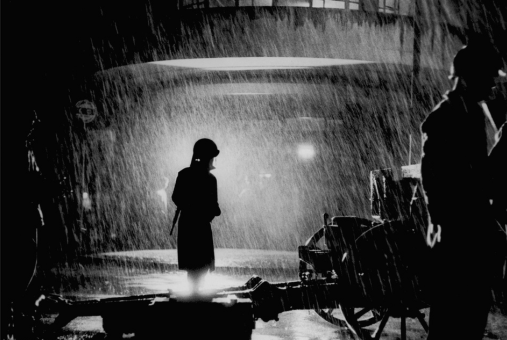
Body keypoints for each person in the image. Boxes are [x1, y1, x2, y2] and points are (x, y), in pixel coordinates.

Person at [420, 38, 506, 339]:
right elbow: (440, 183)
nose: (493, 86)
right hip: (459, 249)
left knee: (467, 326)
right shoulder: (446, 118)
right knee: (454, 327)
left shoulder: (472, 113)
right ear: (469, 78)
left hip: (470, 246)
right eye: (488, 78)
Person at [171, 138, 221, 294]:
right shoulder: (210, 179)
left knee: (192, 265)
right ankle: (196, 295)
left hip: (188, 224)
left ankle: (194, 294)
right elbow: (214, 206)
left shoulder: (184, 175)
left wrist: (191, 206)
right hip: (201, 226)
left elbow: (176, 197)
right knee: (201, 264)